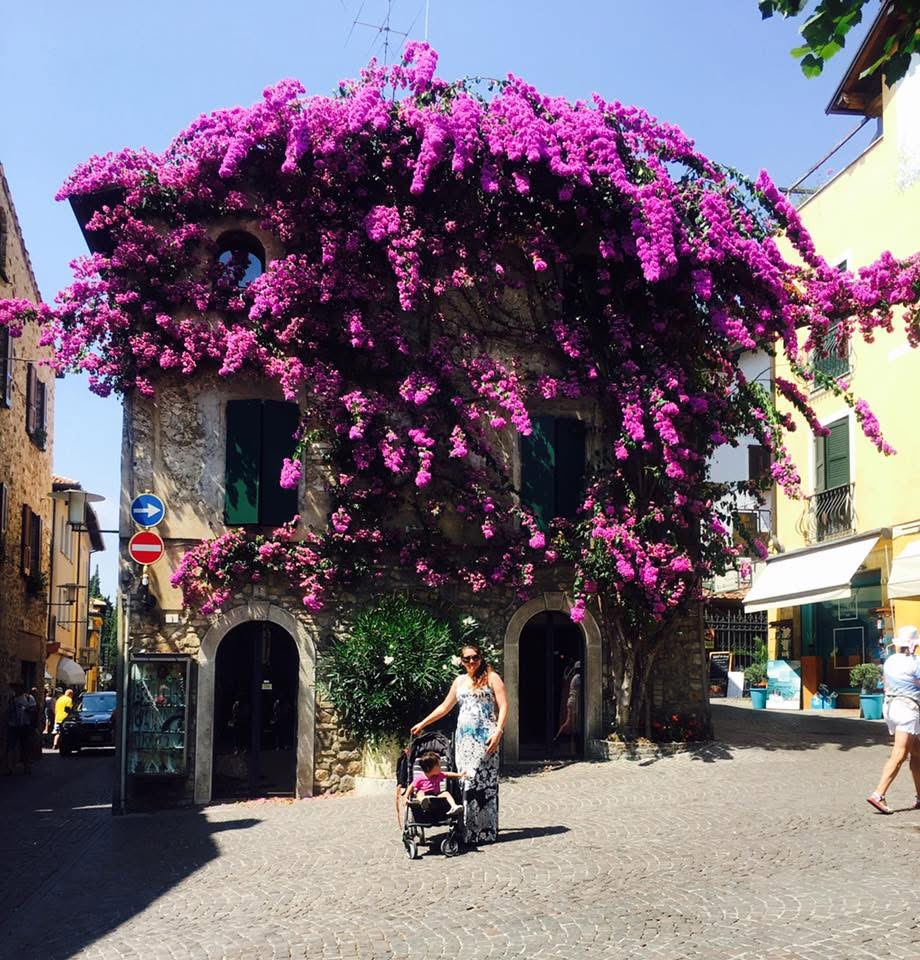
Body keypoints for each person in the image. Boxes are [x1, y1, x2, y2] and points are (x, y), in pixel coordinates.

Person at [412, 642, 508, 845]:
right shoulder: (460, 681)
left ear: (481, 658)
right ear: (462, 661)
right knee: (465, 781)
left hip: (485, 739)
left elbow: (504, 705)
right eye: (467, 658)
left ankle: (485, 830)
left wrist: (498, 732)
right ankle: (468, 830)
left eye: (475, 657)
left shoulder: (492, 678)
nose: (472, 661)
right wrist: (423, 723)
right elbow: (445, 707)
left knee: (482, 782)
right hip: (464, 741)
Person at [867, 624, 920, 814]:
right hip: (908, 710)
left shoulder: (890, 661)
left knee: (917, 753)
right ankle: (878, 794)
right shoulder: (916, 662)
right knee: (900, 754)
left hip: (890, 708)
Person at [405, 751, 466, 815]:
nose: (440, 767)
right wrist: (406, 797)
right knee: (420, 792)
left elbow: (448, 774)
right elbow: (411, 786)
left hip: (435, 795)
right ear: (429, 768)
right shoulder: (420, 778)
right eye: (438, 765)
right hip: (424, 794)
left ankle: (454, 806)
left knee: (446, 793)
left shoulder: (438, 775)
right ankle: (423, 801)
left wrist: (459, 775)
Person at [5, 683, 37, 774]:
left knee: (25, 747)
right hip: (13, 725)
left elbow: (34, 710)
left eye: (17, 688)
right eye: (14, 688)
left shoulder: (28, 698)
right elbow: (7, 711)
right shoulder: (11, 699)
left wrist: (26, 709)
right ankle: (10, 767)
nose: (15, 690)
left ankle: (27, 766)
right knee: (11, 747)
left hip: (25, 726)